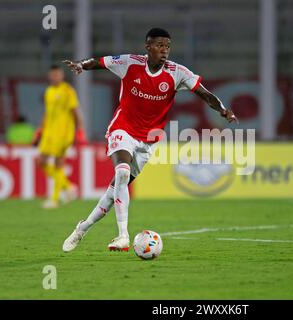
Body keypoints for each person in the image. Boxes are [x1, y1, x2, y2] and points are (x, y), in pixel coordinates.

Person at [61, 27, 237, 252]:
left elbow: (204, 93)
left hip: (148, 141)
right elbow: (101, 62)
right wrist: (81, 65)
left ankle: (82, 229)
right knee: (122, 172)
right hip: (122, 128)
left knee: (113, 190)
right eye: (160, 46)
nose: (165, 51)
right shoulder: (130, 63)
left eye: (168, 46)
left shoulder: (177, 72)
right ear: (148, 47)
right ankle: (123, 235)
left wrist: (223, 110)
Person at [37, 64, 87, 209]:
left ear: (62, 75)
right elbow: (47, 113)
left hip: (63, 133)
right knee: (41, 161)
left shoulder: (67, 90)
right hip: (49, 133)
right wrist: (41, 129)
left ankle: (54, 199)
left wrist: (80, 130)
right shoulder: (49, 91)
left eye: (58, 74)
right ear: (49, 76)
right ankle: (69, 187)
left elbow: (76, 111)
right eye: (53, 75)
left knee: (58, 163)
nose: (55, 77)